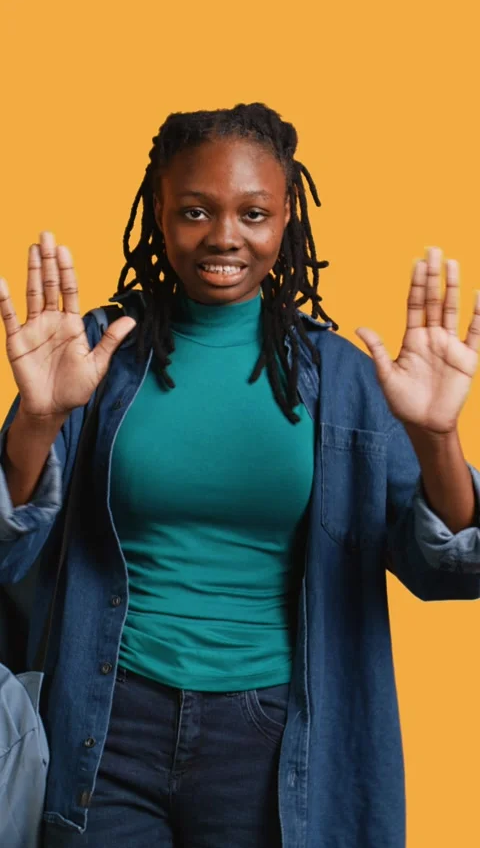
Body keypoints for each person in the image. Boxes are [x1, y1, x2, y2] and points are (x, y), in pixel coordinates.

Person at [0, 101, 479, 848]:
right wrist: (37, 419)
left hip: (270, 737)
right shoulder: (94, 354)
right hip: (107, 721)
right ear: (159, 212)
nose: (224, 236)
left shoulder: (342, 380)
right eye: (195, 210)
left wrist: (437, 437)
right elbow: (7, 549)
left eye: (252, 212)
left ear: (286, 218)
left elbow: (450, 570)